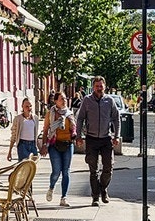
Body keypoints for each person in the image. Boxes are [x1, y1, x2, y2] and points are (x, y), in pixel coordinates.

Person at [75, 76, 122, 207]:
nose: (99, 88)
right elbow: (80, 119)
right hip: (91, 139)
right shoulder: (87, 100)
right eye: (97, 86)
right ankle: (95, 196)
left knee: (108, 167)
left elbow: (116, 119)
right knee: (93, 170)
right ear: (93, 87)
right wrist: (78, 136)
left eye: (101, 86)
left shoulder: (109, 100)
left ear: (104, 86)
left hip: (106, 138)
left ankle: (103, 188)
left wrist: (116, 136)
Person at [41, 92, 76, 207]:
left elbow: (74, 130)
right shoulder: (50, 113)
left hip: (68, 144)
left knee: (66, 171)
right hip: (54, 145)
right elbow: (46, 130)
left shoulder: (70, 114)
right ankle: (51, 187)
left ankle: (63, 197)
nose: (64, 100)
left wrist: (73, 130)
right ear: (55, 101)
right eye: (61, 99)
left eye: (65, 98)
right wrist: (44, 145)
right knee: (56, 171)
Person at [7, 98, 40, 162]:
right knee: (24, 167)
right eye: (26, 106)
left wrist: (40, 147)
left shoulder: (35, 118)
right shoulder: (18, 119)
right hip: (22, 145)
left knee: (32, 168)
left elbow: (35, 134)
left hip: (33, 145)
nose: (29, 108)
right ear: (22, 107)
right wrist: (10, 151)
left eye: (30, 106)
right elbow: (14, 135)